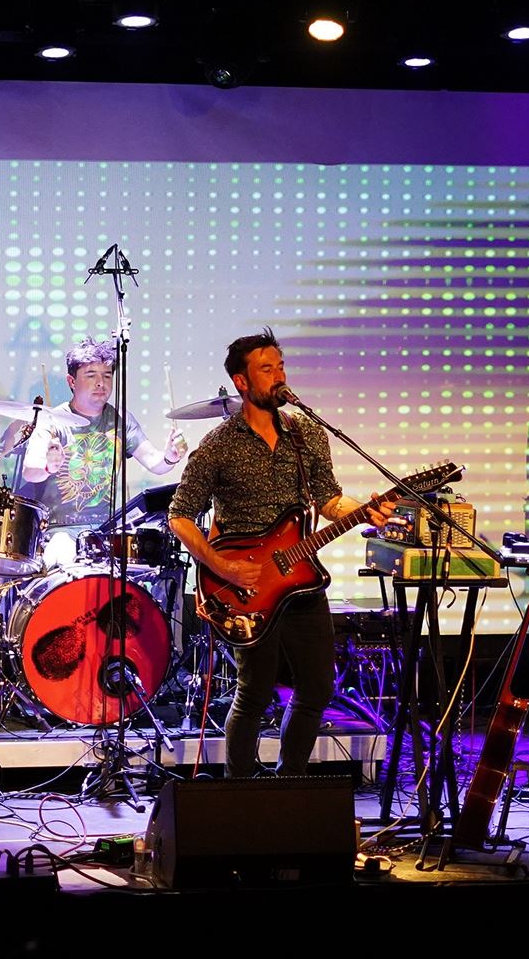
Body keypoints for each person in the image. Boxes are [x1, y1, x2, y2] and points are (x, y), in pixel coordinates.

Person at [167, 328, 393, 777]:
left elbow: (330, 500)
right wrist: (222, 566)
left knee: (318, 688)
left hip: (302, 580)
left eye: (281, 366)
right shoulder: (218, 446)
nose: (279, 376)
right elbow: (180, 516)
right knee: (254, 692)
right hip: (247, 588)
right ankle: (241, 790)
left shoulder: (306, 434)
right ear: (241, 382)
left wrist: (364, 511)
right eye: (266, 369)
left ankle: (290, 783)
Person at [18, 336, 187, 567]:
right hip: (59, 532)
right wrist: (49, 466)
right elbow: (30, 471)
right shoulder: (52, 420)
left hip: (107, 532)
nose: (101, 383)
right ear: (71, 381)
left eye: (107, 376)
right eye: (91, 375)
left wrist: (169, 457)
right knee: (63, 556)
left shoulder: (120, 419)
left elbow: (155, 463)